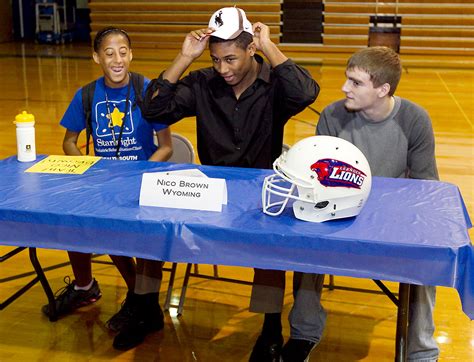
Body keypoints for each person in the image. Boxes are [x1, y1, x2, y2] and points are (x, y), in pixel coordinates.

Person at [141, 7, 320, 361]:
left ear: (250, 49)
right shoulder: (203, 82)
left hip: (261, 191)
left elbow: (306, 93)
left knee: (269, 250)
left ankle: (271, 328)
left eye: (231, 59)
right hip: (212, 190)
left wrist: (269, 45)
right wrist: (184, 57)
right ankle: (144, 307)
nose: (223, 69)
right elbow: (154, 111)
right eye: (216, 59)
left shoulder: (275, 85)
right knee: (154, 227)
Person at [42, 27, 173, 351]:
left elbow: (166, 147)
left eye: (123, 51)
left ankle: (141, 302)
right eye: (109, 53)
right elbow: (69, 142)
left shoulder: (147, 91)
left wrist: (138, 174)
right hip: (104, 185)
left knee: (143, 241)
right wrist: (91, 168)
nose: (117, 59)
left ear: (131, 53)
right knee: (86, 222)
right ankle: (128, 295)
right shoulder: (87, 95)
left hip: (142, 182)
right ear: (96, 57)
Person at [314, 46, 439, 361]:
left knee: (425, 254)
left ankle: (421, 349)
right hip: (340, 214)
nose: (345, 88)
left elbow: (425, 187)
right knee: (307, 240)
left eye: (356, 83)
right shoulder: (332, 115)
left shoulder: (415, 119)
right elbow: (318, 178)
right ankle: (305, 332)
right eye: (347, 79)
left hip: (393, 219)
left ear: (383, 89)